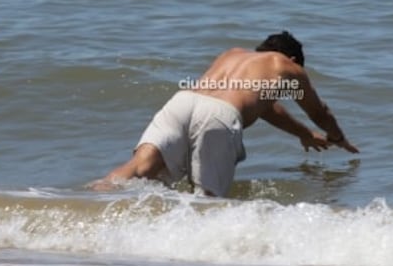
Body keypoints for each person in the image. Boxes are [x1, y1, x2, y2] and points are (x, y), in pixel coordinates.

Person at [98, 31, 359, 196]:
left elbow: (265, 107)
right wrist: (336, 136)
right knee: (207, 200)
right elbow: (319, 111)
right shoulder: (287, 67)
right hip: (220, 116)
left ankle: (85, 205)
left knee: (138, 168)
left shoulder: (233, 54)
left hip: (183, 102)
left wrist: (304, 134)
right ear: (292, 57)